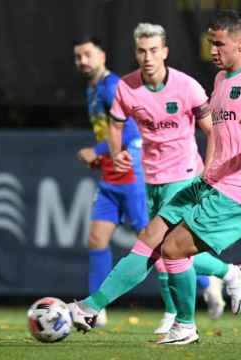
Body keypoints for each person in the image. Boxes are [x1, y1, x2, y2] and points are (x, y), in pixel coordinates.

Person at [68, 11, 241, 344]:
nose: (213, 51)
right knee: (151, 236)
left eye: (219, 44)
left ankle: (185, 325)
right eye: (211, 43)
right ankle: (90, 307)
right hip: (209, 182)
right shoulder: (222, 79)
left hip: (238, 192)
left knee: (174, 249)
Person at [73, 36, 149, 328]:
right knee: (96, 239)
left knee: (154, 242)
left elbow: (130, 135)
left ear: (102, 56)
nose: (83, 61)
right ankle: (94, 307)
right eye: (78, 57)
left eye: (88, 55)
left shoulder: (112, 86)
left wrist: (98, 150)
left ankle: (216, 276)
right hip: (110, 175)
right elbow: (109, 133)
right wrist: (100, 158)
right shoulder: (91, 90)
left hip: (129, 172)